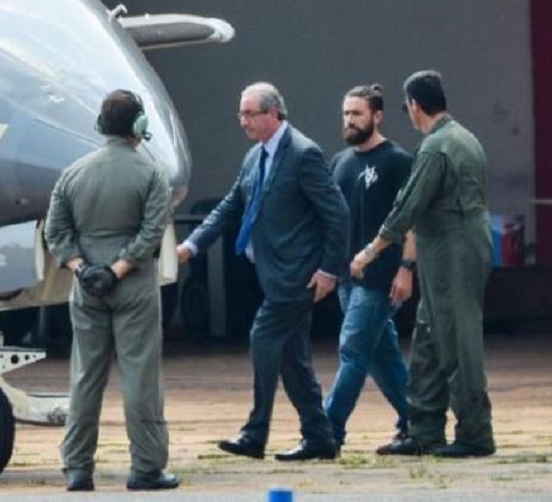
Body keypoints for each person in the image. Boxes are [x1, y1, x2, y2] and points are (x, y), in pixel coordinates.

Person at [177, 82, 349, 461]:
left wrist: (329, 270)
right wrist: (192, 245)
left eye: (249, 113)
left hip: (298, 275)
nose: (242, 121)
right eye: (240, 113)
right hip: (272, 273)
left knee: (263, 338)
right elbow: (230, 206)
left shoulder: (304, 154)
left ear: (274, 114)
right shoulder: (254, 157)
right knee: (293, 359)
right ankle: (319, 438)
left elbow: (337, 214)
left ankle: (255, 433)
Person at [351, 70, 495, 458]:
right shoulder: (464, 138)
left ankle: (475, 434)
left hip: (452, 253)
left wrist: (371, 250)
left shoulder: (436, 147)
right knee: (430, 339)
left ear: (415, 105)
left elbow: (408, 206)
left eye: (406, 107)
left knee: (456, 341)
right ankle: (424, 429)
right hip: (453, 251)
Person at [44, 89, 179, 491]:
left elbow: (56, 232)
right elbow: (153, 230)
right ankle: (146, 468)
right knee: (140, 376)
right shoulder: (151, 173)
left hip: (87, 287)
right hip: (133, 284)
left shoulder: (73, 174)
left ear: (102, 125)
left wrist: (83, 269)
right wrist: (118, 269)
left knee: (85, 376)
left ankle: (78, 467)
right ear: (139, 126)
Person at [324, 84, 416, 451]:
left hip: (381, 277)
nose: (349, 120)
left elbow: (412, 222)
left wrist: (406, 268)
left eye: (357, 113)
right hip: (348, 277)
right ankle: (417, 420)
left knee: (353, 350)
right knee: (381, 356)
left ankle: (328, 430)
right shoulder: (340, 163)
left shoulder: (397, 161)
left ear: (377, 116)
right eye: (346, 113)